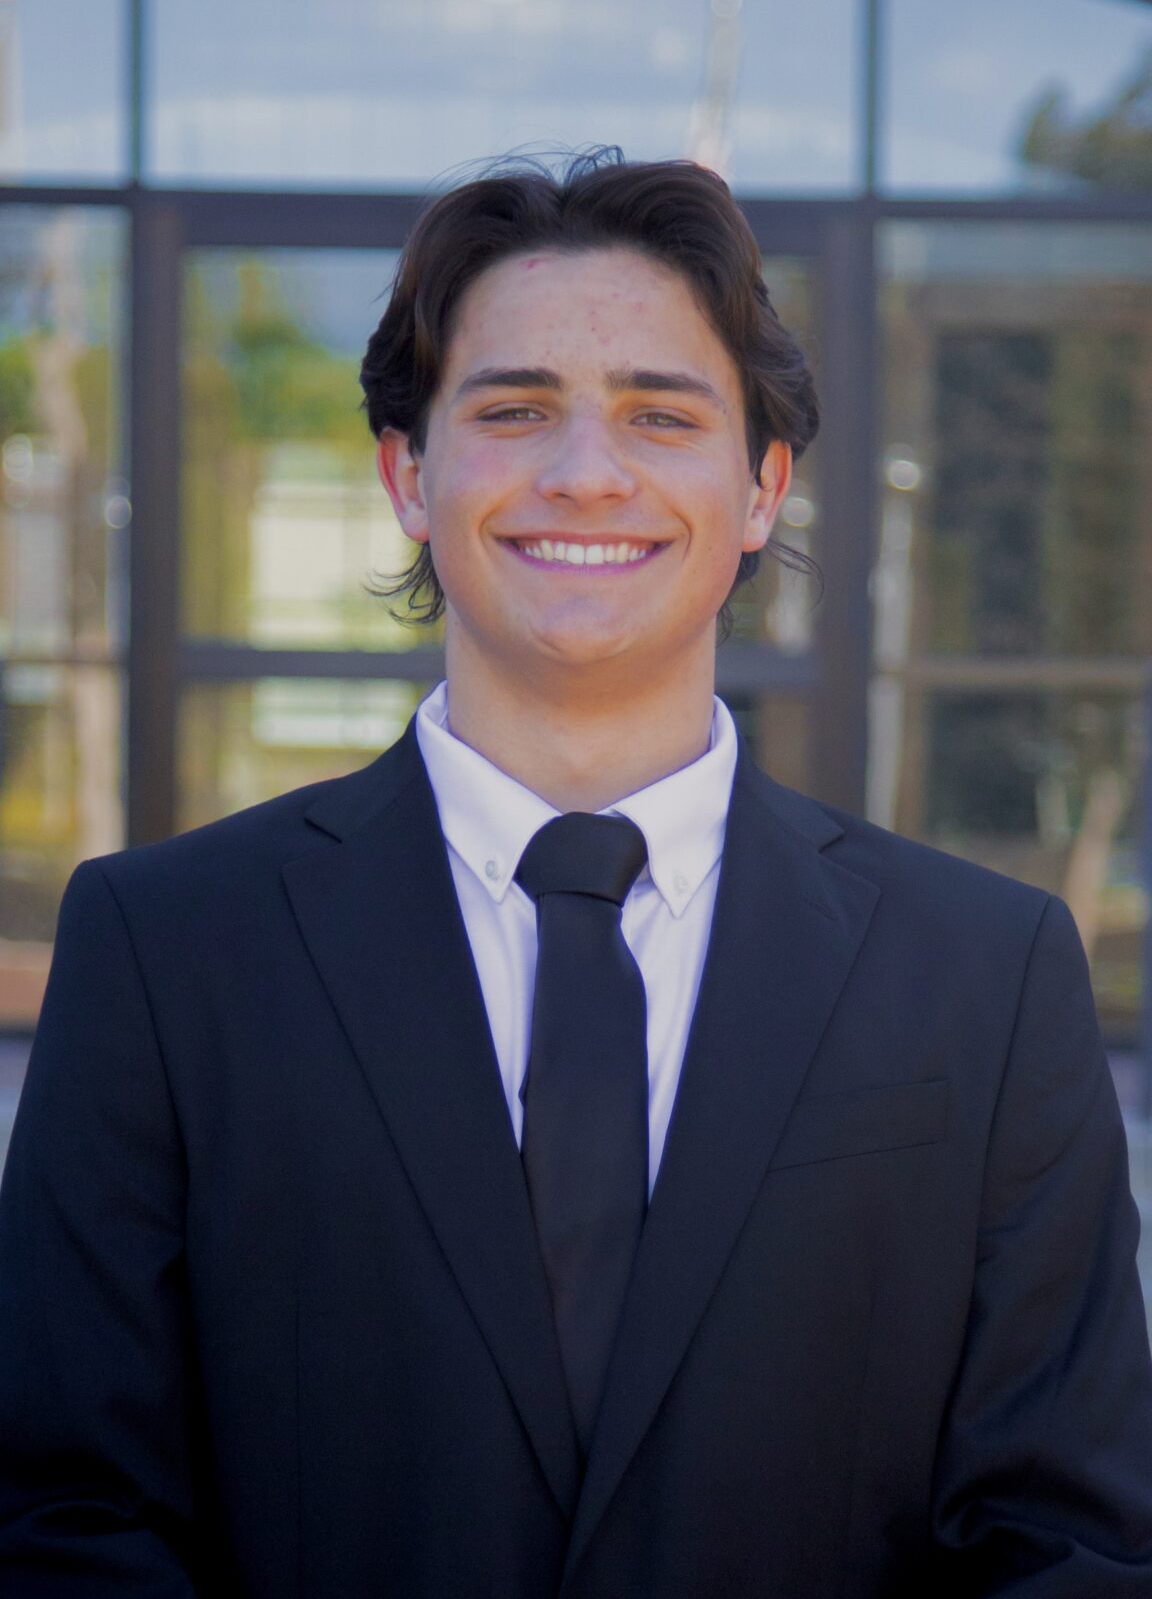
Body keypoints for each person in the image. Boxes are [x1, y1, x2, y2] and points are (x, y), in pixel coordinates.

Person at [0, 151, 1150, 1598]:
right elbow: (64, 1523)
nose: (586, 472)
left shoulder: (991, 975)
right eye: (515, 408)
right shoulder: (165, 954)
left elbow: (1071, 1543)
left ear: (758, 489)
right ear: (410, 476)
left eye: (661, 415)